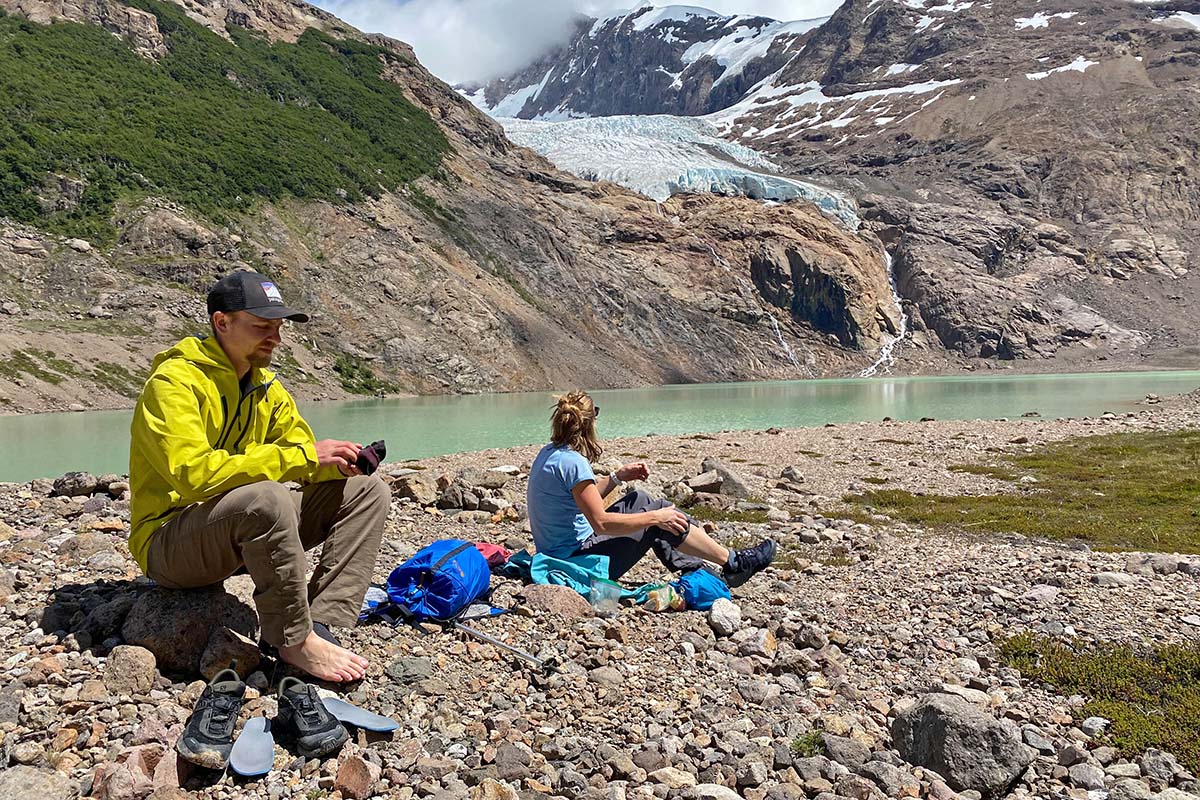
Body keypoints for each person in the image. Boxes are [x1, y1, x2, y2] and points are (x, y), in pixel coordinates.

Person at [128, 270, 389, 683]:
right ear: (222, 322)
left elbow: (302, 459)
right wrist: (302, 457)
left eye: (279, 328)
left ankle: (320, 622)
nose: (276, 338)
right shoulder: (173, 384)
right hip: (170, 544)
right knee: (267, 497)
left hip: (234, 536)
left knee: (366, 491)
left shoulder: (266, 387)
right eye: (262, 327)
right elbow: (192, 476)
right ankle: (292, 640)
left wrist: (339, 464)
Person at [526, 391, 777, 586]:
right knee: (658, 513)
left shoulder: (549, 454)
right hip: (578, 564)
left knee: (640, 498)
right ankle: (734, 562)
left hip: (560, 555)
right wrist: (656, 517)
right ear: (589, 423)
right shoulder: (574, 463)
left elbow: (582, 500)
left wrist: (616, 477)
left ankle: (698, 568)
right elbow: (600, 523)